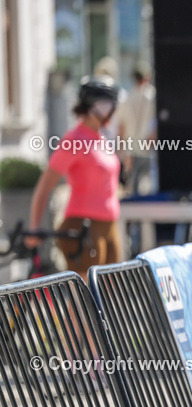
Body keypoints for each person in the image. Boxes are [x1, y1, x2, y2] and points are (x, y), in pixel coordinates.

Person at [27, 77, 123, 279]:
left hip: (108, 226)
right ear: (99, 106)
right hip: (83, 228)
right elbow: (44, 186)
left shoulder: (101, 137)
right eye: (111, 106)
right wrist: (35, 227)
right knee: (86, 300)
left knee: (111, 297)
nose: (113, 112)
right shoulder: (74, 140)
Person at [119, 62, 157, 196]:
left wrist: (122, 149)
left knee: (133, 187)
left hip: (131, 149)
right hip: (148, 146)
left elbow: (121, 126)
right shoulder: (152, 96)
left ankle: (134, 216)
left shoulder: (127, 98)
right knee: (149, 186)